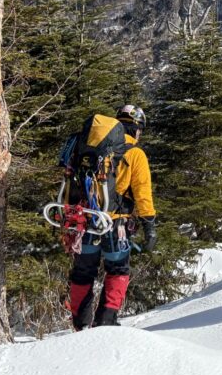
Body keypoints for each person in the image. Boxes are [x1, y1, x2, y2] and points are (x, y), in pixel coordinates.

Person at [67, 104, 157, 329]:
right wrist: (150, 226)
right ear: (137, 129)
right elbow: (143, 193)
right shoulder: (135, 153)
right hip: (116, 224)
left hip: (85, 221)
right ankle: (106, 321)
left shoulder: (90, 148)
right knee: (117, 269)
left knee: (83, 271)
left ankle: (80, 323)